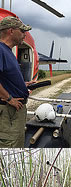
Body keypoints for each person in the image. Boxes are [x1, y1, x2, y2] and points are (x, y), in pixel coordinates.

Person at [0, 17, 33, 148]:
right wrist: (9, 98)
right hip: (9, 113)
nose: (25, 34)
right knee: (10, 146)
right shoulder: (1, 50)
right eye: (22, 31)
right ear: (11, 31)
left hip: (14, 113)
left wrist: (20, 85)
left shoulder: (8, 52)